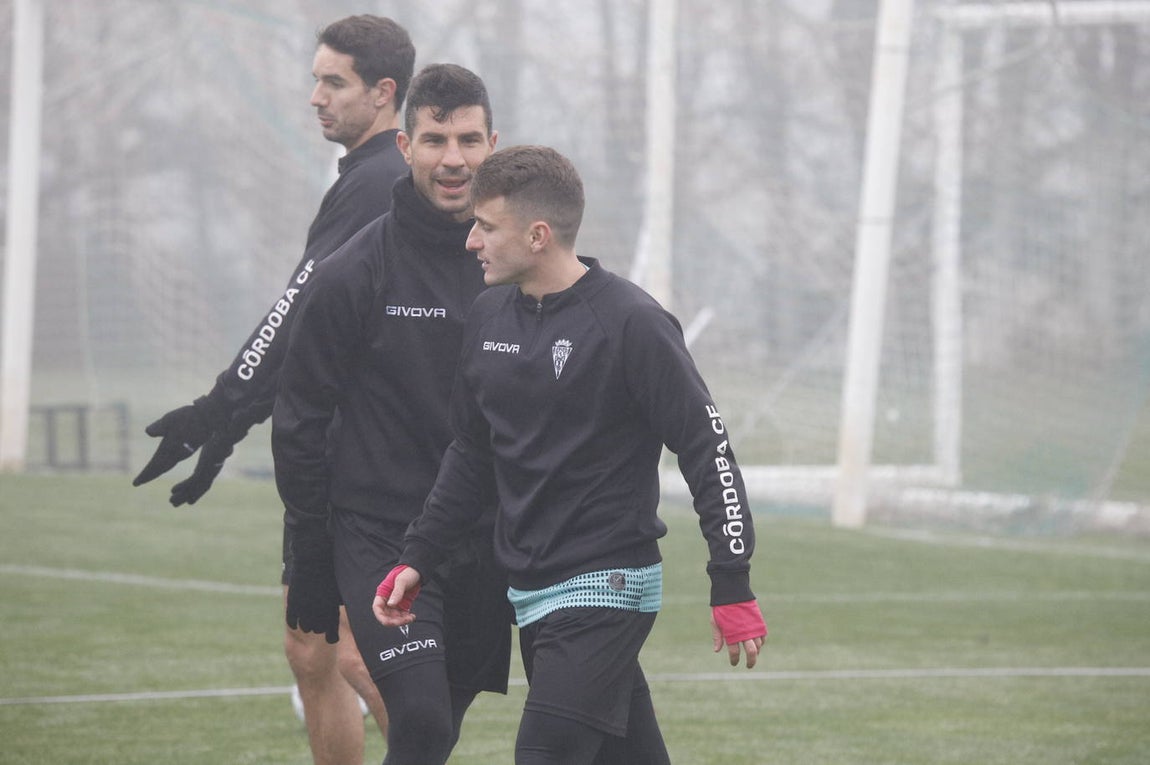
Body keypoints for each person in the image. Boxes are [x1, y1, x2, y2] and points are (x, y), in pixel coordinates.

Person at [373, 145, 768, 765]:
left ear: (538, 235)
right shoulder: (488, 316)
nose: (472, 240)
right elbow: (473, 455)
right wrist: (418, 555)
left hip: (606, 585)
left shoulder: (631, 323)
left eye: (487, 226)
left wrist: (731, 579)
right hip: (530, 591)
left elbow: (706, 447)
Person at [131, 15, 414, 764]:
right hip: (346, 443)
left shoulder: (378, 181)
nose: (315, 96)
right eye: (314, 78)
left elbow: (297, 310)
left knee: (349, 650)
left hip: (361, 453)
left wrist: (219, 411)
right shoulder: (369, 176)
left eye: (334, 82)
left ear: (384, 93)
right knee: (313, 648)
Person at [272, 63, 512, 765]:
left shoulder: (517, 268)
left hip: (485, 537)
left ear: (492, 143)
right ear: (405, 148)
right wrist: (312, 556)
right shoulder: (353, 271)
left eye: (468, 139)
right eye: (434, 139)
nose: (453, 159)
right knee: (422, 717)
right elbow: (300, 420)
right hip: (379, 531)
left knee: (437, 730)